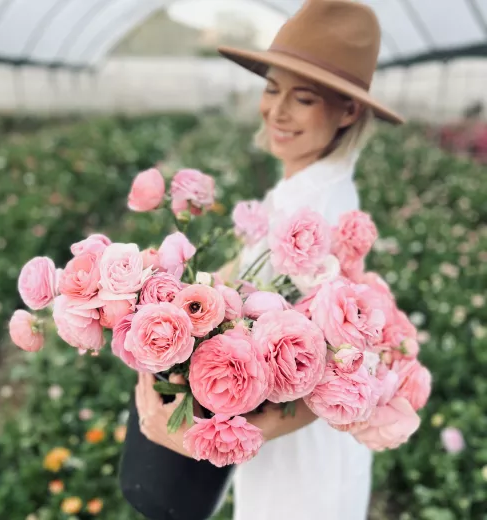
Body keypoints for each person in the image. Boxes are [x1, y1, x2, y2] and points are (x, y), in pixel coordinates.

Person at [135, 1, 404, 519]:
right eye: (272, 89)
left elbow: (331, 373)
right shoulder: (302, 188)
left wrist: (206, 438)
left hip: (301, 465)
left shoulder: (321, 211)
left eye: (302, 98)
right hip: (277, 443)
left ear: (348, 111)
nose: (277, 111)